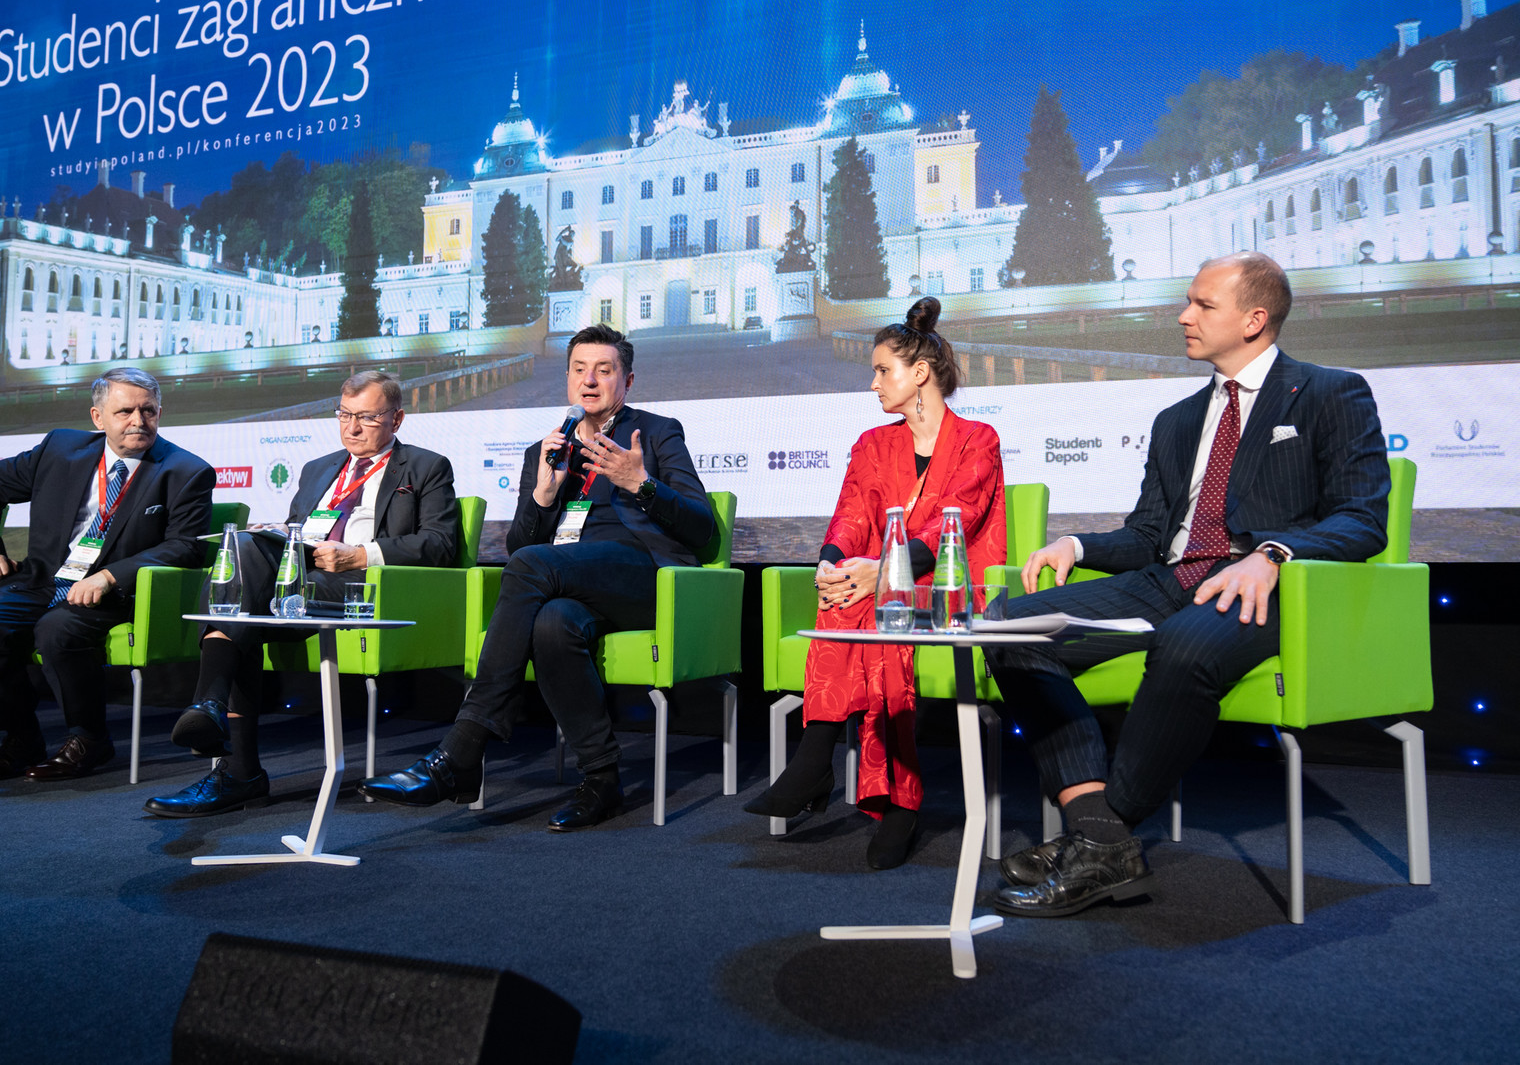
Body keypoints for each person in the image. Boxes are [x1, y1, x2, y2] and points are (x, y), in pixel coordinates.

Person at [987, 252, 1390, 917]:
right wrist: (1078, 545)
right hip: (1166, 578)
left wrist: (1275, 552)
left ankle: (1097, 847)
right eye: (1188, 302)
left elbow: (1363, 519)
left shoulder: (1330, 393)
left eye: (1203, 304)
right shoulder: (1176, 420)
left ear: (1254, 319)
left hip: (1259, 588)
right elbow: (1148, 534)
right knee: (1010, 626)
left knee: (1185, 643)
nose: (1184, 316)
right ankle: (1100, 834)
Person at [357, 323, 714, 831]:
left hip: (643, 576)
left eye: (604, 370)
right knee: (552, 623)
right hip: (572, 582)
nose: (589, 380)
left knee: (532, 569)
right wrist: (544, 494)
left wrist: (641, 483)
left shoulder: (655, 433)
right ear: (567, 378)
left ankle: (462, 750)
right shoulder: (546, 450)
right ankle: (602, 778)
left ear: (628, 381)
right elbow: (521, 547)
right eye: (579, 370)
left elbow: (701, 528)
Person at [743, 297, 1006, 869]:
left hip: (948, 589)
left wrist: (883, 570)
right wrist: (831, 562)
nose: (874, 383)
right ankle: (869, 788)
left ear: (920, 373)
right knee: (847, 592)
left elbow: (952, 525)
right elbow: (851, 515)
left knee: (873, 596)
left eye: (883, 371)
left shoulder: (978, 439)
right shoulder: (873, 444)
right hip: (881, 587)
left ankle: (828, 767)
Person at [144, 370, 461, 817]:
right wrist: (277, 534)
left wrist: (360, 555)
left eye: (367, 417)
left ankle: (226, 744)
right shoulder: (318, 469)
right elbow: (300, 533)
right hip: (299, 581)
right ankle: (225, 739)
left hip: (362, 587)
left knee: (241, 604)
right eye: (344, 415)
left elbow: (440, 544)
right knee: (244, 556)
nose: (352, 428)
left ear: (396, 419)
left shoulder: (427, 466)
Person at [0, 367, 214, 781]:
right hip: (46, 578)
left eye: (148, 411)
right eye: (125, 411)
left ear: (159, 413)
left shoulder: (186, 470)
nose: (138, 421)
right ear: (98, 417)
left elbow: (185, 546)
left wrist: (110, 575)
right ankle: (21, 737)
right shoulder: (60, 449)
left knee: (58, 629)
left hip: (117, 592)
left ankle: (89, 738)